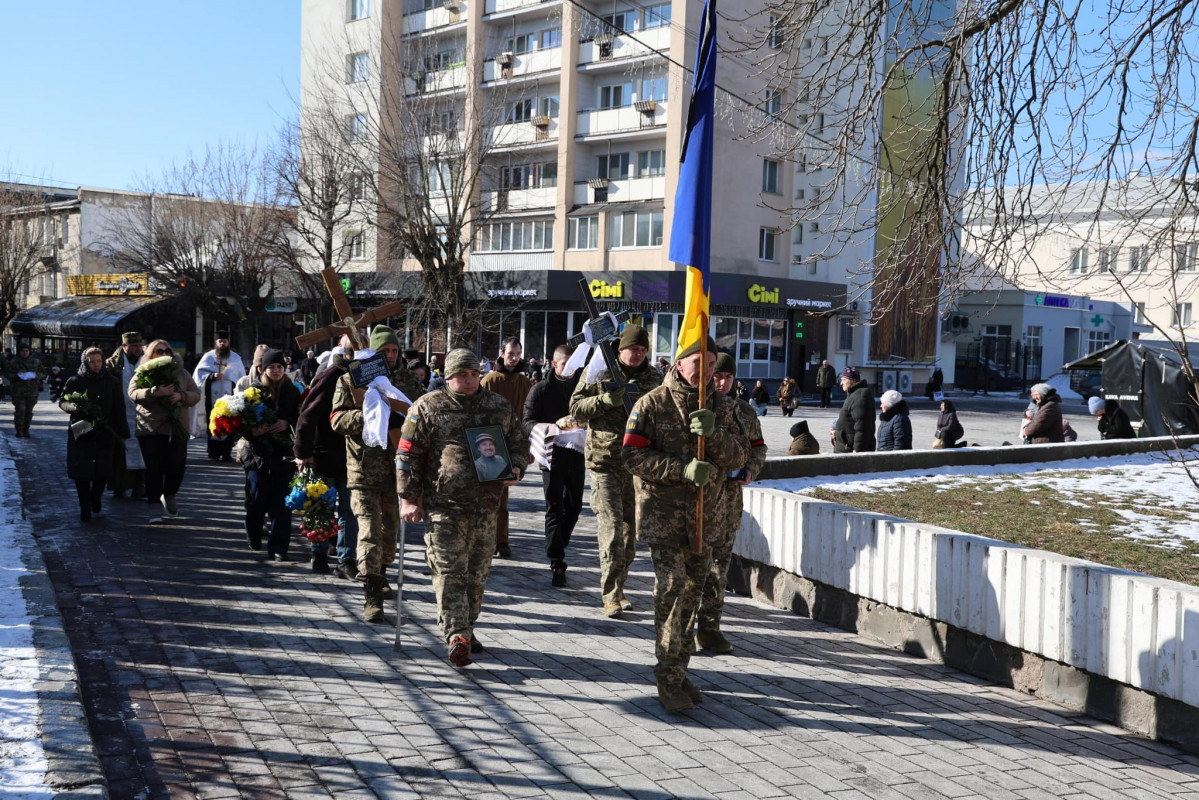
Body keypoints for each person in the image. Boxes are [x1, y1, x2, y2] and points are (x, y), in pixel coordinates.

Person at [622, 336, 750, 712]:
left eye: (712, 364)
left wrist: (715, 434)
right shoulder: (652, 404)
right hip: (665, 519)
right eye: (699, 363)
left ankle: (679, 669)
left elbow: (740, 457)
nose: (707, 371)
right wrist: (681, 470)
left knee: (694, 596)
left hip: (707, 519)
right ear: (679, 364)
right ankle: (667, 677)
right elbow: (631, 454)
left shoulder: (723, 408)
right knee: (673, 592)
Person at [397, 348, 527, 666]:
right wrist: (408, 498)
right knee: (450, 572)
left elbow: (519, 442)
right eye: (461, 375)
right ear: (448, 377)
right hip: (444, 506)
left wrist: (518, 466)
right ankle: (456, 634)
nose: (469, 380)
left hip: (486, 506)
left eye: (473, 374)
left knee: (477, 575)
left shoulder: (497, 406)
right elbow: (407, 455)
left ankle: (466, 628)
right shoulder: (428, 407)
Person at [330, 325, 424, 623]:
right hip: (363, 468)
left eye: (395, 351)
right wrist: (372, 416)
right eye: (386, 351)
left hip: (397, 469)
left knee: (389, 536)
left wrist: (402, 417)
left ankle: (380, 574)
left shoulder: (407, 380)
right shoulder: (351, 380)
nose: (392, 356)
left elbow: (422, 413)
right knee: (369, 533)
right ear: (375, 353)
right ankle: (371, 595)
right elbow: (336, 419)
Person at [569, 324, 664, 618]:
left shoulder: (654, 379)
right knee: (610, 530)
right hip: (604, 461)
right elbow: (575, 408)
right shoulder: (600, 370)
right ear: (619, 349)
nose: (636, 354)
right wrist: (603, 401)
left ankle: (619, 588)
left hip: (638, 465)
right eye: (631, 349)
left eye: (641, 350)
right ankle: (609, 594)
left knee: (629, 533)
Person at [700, 352, 767, 655]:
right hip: (698, 502)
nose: (722, 383)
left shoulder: (745, 413)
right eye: (717, 377)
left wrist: (751, 469)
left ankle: (710, 629)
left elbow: (759, 448)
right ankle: (683, 629)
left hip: (728, 502)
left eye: (727, 377)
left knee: (719, 569)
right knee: (694, 568)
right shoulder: (698, 407)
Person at [295, 334, 360, 577]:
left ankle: (346, 559)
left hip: (353, 458)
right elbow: (308, 415)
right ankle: (319, 553)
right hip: (323, 454)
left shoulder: (369, 376)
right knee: (320, 508)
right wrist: (303, 452)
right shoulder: (331, 374)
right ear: (345, 352)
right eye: (353, 350)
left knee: (349, 511)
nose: (357, 355)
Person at [523, 344, 584, 587]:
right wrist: (551, 427)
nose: (570, 369)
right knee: (555, 507)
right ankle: (557, 561)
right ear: (555, 364)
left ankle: (559, 542)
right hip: (551, 454)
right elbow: (527, 422)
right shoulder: (540, 390)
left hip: (577, 452)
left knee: (575, 506)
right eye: (566, 364)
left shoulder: (583, 387)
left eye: (574, 364)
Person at [128, 340, 201, 524]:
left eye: (166, 350)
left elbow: (196, 394)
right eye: (158, 351)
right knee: (154, 468)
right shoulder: (144, 371)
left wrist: (181, 396)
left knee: (177, 466)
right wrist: (154, 392)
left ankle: (169, 494)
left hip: (177, 428)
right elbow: (133, 392)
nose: (163, 353)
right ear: (151, 354)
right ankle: (153, 505)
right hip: (152, 428)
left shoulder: (181, 372)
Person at [241, 349, 301, 560]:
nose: (276, 371)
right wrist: (252, 431)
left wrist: (287, 424)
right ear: (263, 369)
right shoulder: (253, 391)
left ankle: (278, 548)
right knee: (257, 501)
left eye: (279, 367)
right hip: (257, 456)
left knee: (282, 504)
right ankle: (254, 535)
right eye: (272, 367)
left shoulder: (292, 391)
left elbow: (301, 418)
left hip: (283, 456)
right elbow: (240, 422)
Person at [60, 347, 130, 522]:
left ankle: (95, 497)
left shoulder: (112, 382)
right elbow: (63, 402)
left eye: (99, 361)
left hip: (106, 429)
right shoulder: (76, 380)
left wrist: (122, 431)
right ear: (85, 363)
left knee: (103, 469)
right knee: (82, 471)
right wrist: (77, 407)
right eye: (92, 362)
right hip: (82, 428)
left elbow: (119, 408)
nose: (96, 365)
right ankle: (84, 506)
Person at [480, 337, 534, 558]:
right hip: (490, 442)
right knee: (489, 496)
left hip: (514, 444)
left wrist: (528, 446)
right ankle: (488, 539)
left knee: (503, 496)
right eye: (511, 353)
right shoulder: (489, 381)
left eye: (518, 354)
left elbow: (530, 416)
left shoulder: (525, 383)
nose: (515, 358)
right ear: (502, 353)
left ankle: (502, 541)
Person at [192, 332, 246, 461]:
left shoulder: (235, 358)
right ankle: (213, 451)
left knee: (229, 423)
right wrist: (212, 376)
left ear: (229, 342)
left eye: (225, 341)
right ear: (216, 342)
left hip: (230, 397)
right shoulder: (208, 356)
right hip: (212, 397)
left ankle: (227, 452)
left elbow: (241, 377)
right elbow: (199, 375)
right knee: (214, 423)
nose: (223, 343)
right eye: (220, 341)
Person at [106, 332, 147, 499]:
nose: (138, 349)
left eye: (140, 345)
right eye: (134, 346)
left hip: (143, 415)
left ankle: (140, 486)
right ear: (124, 346)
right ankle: (119, 485)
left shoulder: (147, 362)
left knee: (142, 450)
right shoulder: (112, 365)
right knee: (120, 453)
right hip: (120, 415)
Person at [833, 367, 876, 452]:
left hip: (851, 450)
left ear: (853, 381)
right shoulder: (853, 394)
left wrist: (858, 451)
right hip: (845, 447)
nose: (841, 383)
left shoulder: (860, 396)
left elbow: (862, 426)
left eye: (844, 380)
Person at [6, 343, 44, 437]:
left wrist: (35, 376)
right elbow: (7, 374)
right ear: (19, 352)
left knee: (28, 412)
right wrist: (18, 376)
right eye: (23, 351)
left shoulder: (36, 362)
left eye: (26, 351)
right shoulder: (13, 362)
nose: (25, 353)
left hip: (32, 392)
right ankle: (19, 430)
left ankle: (26, 429)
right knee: (20, 411)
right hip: (18, 392)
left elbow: (43, 373)